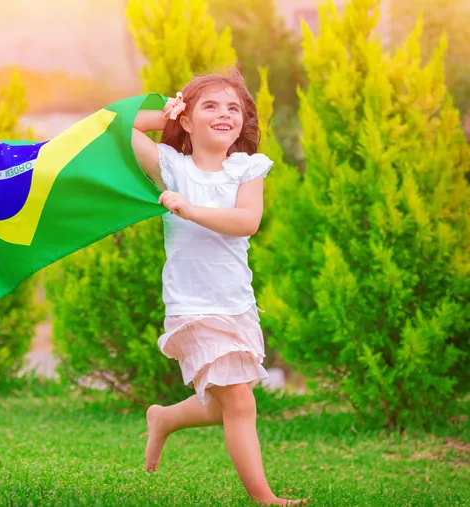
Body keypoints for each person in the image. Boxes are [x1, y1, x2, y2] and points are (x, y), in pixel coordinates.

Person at [131, 69, 307, 506]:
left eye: (233, 107)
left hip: (236, 304)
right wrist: (167, 114)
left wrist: (190, 211)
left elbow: (246, 222)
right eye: (210, 105)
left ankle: (165, 418)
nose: (225, 113)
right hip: (192, 305)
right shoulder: (171, 166)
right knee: (241, 404)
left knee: (225, 402)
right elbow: (119, 126)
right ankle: (265, 498)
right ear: (188, 121)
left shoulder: (247, 168)